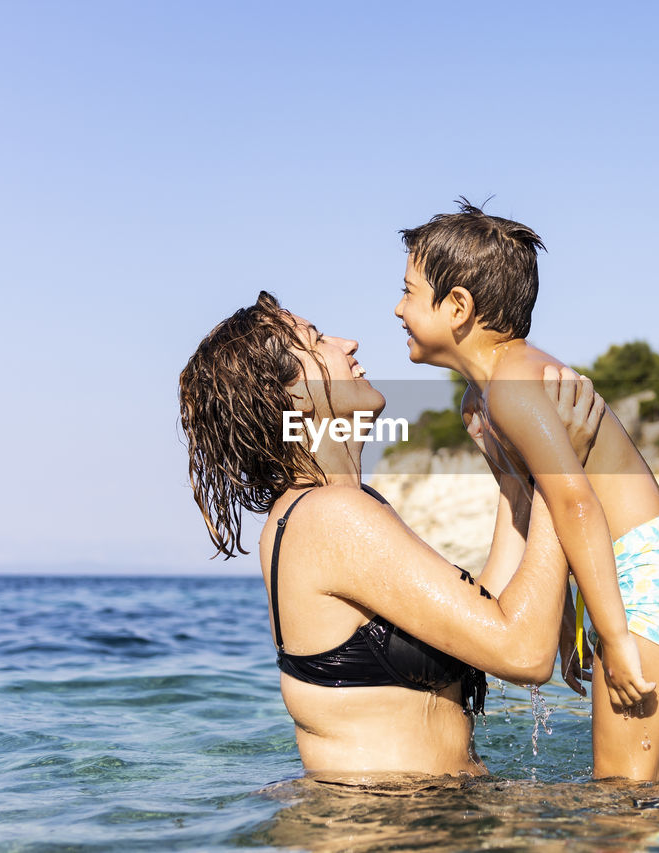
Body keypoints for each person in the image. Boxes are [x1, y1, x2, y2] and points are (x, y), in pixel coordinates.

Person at [177, 291, 606, 779]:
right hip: (390, 825)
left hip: (415, 817)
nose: (349, 343)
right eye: (318, 341)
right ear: (290, 397)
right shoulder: (330, 517)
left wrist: (514, 480)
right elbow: (523, 653)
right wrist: (559, 464)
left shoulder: (323, 511)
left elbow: (488, 618)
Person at [394, 202, 659, 781]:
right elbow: (544, 521)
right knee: (658, 794)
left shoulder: (515, 386)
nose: (397, 309)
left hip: (643, 582)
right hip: (633, 581)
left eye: (410, 292)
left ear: (459, 307)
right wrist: (573, 629)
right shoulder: (484, 401)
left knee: (622, 810)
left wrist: (613, 637)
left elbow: (575, 505)